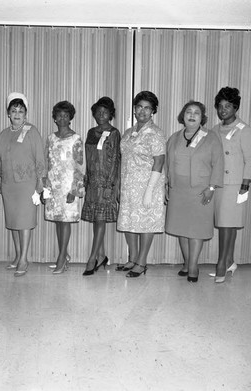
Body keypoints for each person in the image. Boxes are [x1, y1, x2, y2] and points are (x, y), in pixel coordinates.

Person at [165, 100, 224, 282]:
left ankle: (193, 266)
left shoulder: (211, 137)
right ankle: (186, 262)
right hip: (178, 190)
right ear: (183, 115)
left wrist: (212, 187)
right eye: (188, 112)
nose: (192, 115)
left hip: (201, 190)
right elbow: (168, 164)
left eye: (196, 112)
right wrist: (166, 185)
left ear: (202, 118)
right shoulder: (174, 137)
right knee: (181, 228)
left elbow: (219, 164)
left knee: (196, 230)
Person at [117, 91, 166, 278]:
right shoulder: (129, 132)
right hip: (129, 186)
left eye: (147, 108)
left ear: (153, 111)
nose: (142, 111)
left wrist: (150, 191)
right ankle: (133, 258)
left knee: (146, 224)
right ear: (134, 109)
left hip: (147, 186)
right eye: (139, 107)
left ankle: (142, 262)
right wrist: (120, 185)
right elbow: (124, 160)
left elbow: (159, 162)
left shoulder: (155, 133)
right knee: (129, 221)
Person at [210, 87, 251, 283]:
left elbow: (250, 159)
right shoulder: (214, 130)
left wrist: (245, 184)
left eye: (227, 106)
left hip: (235, 184)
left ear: (235, 107)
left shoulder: (244, 129)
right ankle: (229, 261)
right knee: (226, 225)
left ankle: (221, 263)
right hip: (218, 183)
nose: (223, 110)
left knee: (228, 224)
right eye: (220, 106)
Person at [0, 93, 46, 277]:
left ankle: (24, 259)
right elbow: (0, 160)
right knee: (13, 221)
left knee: (24, 221)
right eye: (13, 110)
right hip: (9, 184)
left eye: (21, 110)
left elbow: (39, 157)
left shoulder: (31, 131)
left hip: (27, 183)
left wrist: (40, 181)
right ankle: (18, 256)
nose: (17, 113)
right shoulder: (3, 134)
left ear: (26, 113)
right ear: (8, 113)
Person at [43, 101, 85, 274]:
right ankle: (64, 254)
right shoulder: (51, 138)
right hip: (53, 185)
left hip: (68, 186)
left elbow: (80, 166)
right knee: (58, 221)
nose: (62, 118)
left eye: (66, 115)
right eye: (59, 115)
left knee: (65, 221)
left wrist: (75, 190)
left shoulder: (76, 139)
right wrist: (45, 184)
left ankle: (61, 258)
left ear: (70, 118)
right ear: (54, 117)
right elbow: (46, 162)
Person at [81, 97, 121, 276]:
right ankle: (102, 255)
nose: (101, 115)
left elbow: (115, 161)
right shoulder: (91, 132)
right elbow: (89, 157)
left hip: (105, 183)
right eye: (98, 111)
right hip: (92, 182)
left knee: (100, 220)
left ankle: (92, 259)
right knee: (96, 222)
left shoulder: (114, 133)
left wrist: (110, 185)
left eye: (105, 112)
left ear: (111, 114)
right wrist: (86, 178)